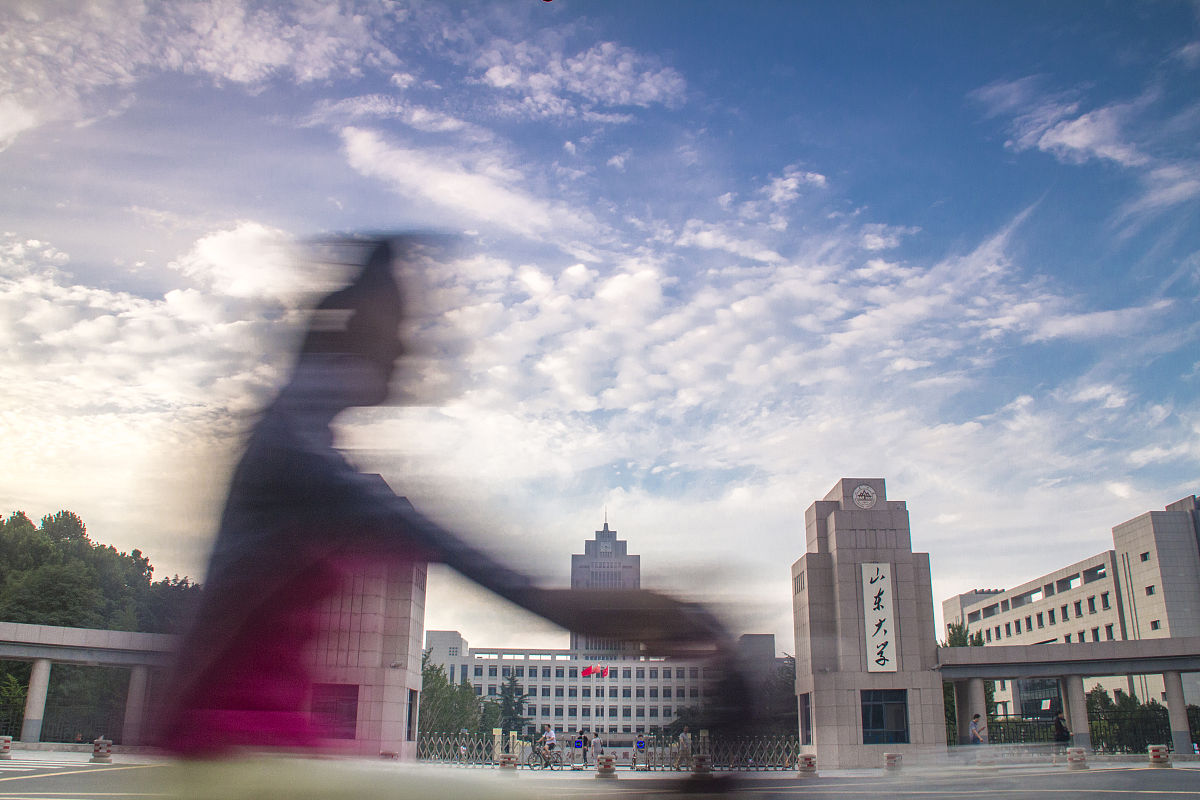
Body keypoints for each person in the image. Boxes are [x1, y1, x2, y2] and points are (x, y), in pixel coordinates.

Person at [157, 237, 737, 758]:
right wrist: (660, 615)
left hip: (265, 748)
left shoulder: (300, 451)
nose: (407, 350)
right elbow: (503, 578)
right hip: (230, 747)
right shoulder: (303, 464)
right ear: (349, 330)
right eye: (396, 328)